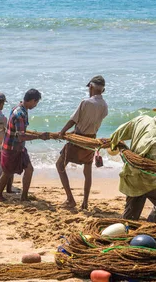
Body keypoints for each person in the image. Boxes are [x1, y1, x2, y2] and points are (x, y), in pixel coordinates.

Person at [56, 75, 108, 210]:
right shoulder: (104, 105)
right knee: (87, 170)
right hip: (91, 140)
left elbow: (74, 120)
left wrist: (62, 132)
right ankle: (85, 202)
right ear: (102, 90)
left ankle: (70, 199)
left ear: (91, 87)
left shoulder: (86, 102)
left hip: (78, 139)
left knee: (60, 165)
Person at [0, 89, 50, 202]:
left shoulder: (19, 108)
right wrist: (39, 137)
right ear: (32, 101)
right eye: (36, 103)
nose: (35, 105)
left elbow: (20, 132)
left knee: (29, 169)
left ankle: (24, 196)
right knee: (7, 172)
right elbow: (21, 137)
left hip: (19, 147)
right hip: (12, 148)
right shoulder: (20, 114)